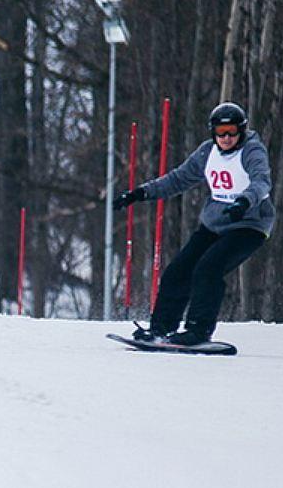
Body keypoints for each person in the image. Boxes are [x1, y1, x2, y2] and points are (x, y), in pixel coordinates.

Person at [113, 102, 274, 345]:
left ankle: (198, 331)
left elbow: (262, 182)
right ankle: (160, 329)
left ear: (241, 130)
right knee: (178, 270)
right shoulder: (207, 152)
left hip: (248, 225)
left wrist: (244, 202)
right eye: (221, 132)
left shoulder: (252, 151)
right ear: (213, 133)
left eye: (231, 131)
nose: (226, 138)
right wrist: (140, 193)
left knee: (208, 269)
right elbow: (178, 179)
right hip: (215, 224)